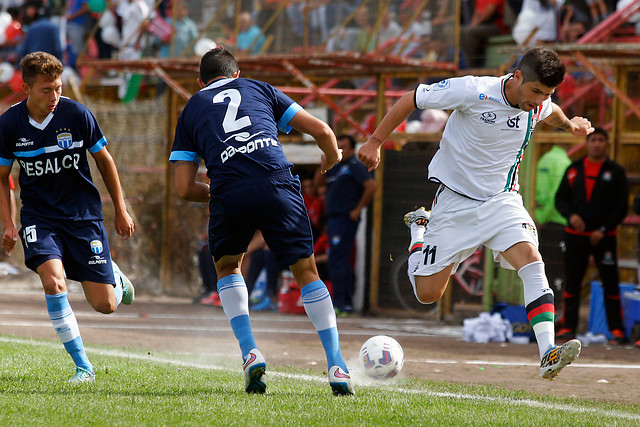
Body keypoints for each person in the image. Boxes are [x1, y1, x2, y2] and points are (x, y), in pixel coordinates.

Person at [359, 47, 591, 380]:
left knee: (531, 259)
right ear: (518, 77)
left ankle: (547, 352)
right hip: (455, 203)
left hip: (502, 201)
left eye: (547, 93)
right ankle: (419, 232)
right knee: (428, 295)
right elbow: (412, 98)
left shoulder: (538, 105)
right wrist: (375, 141)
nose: (539, 99)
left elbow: (551, 111)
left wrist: (569, 125)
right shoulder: (474, 90)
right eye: (536, 91)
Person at [169, 47, 354, 396]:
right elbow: (325, 133)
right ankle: (336, 364)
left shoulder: (192, 107)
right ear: (236, 74)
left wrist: (221, 189)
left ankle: (250, 352)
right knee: (306, 271)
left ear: (200, 82)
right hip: (277, 182)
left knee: (227, 266)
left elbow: (182, 188)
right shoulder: (260, 88)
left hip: (228, 189)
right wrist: (331, 160)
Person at [0, 51, 135, 383]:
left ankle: (113, 279)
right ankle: (83, 367)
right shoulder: (9, 124)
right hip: (39, 217)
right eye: (47, 90)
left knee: (105, 305)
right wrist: (8, 223)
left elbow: (105, 160)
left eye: (58, 88)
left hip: (83, 216)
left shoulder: (76, 114)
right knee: (53, 281)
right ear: (27, 87)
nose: (54, 96)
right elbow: (2, 178)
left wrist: (120, 208)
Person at [554, 128, 628, 345]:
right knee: (572, 282)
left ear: (606, 144)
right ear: (587, 143)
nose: (597, 144)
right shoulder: (573, 169)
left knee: (610, 283)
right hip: (575, 236)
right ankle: (567, 327)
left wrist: (603, 230)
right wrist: (571, 216)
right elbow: (559, 200)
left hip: (603, 237)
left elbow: (621, 207)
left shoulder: (615, 172)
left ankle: (616, 331)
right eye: (593, 140)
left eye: (600, 140)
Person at [316, 134, 376, 315]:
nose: (339, 150)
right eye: (337, 146)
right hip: (334, 218)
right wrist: (324, 164)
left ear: (351, 149)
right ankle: (342, 302)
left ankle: (343, 303)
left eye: (342, 147)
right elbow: (319, 184)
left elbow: (371, 186)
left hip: (345, 218)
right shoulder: (335, 166)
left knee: (338, 260)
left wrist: (358, 209)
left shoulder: (355, 166)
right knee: (337, 259)